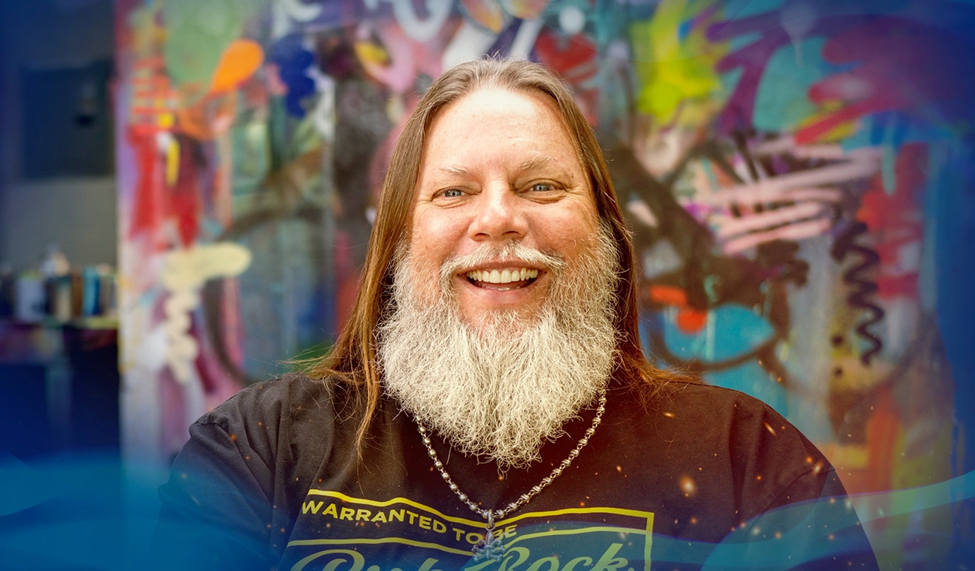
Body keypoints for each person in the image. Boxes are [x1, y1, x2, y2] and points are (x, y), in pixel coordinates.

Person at [147, 58, 878, 570]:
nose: (498, 219)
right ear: (401, 240)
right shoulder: (261, 451)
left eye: (540, 185)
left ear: (605, 233)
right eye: (453, 193)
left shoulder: (745, 457)